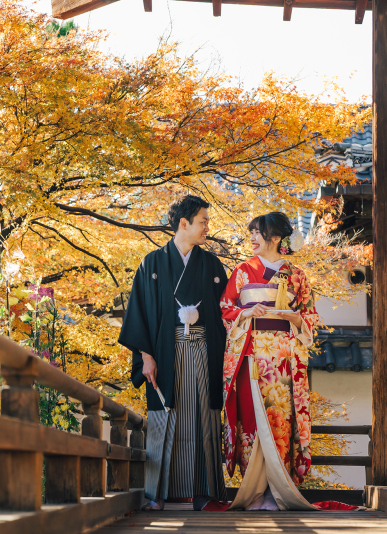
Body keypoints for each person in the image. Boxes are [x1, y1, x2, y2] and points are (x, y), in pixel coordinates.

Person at [118, 195, 229, 512]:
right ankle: (157, 494)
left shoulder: (210, 265)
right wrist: (145, 356)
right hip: (164, 351)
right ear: (184, 223)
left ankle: (204, 494)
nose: (207, 227)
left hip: (203, 350)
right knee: (164, 418)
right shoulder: (151, 264)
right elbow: (138, 312)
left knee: (202, 417)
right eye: (203, 221)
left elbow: (226, 311)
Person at [220, 212, 318, 511]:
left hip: (283, 360)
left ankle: (277, 492)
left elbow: (311, 316)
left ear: (275, 238)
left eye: (257, 233)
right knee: (251, 420)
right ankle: (254, 493)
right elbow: (226, 307)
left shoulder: (297, 274)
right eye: (250, 232)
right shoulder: (242, 271)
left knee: (280, 422)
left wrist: (296, 317)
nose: (251, 238)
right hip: (251, 354)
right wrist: (246, 312)